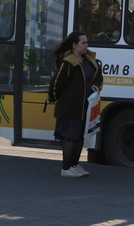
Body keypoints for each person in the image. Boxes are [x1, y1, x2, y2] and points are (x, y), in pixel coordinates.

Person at [48, 31, 103, 178]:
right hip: (70, 107)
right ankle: (66, 168)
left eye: (86, 42)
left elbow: (98, 76)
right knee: (70, 137)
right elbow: (56, 83)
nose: (86, 45)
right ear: (74, 45)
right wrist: (53, 98)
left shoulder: (89, 59)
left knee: (79, 136)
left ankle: (74, 165)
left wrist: (97, 86)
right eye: (83, 43)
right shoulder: (68, 62)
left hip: (85, 106)